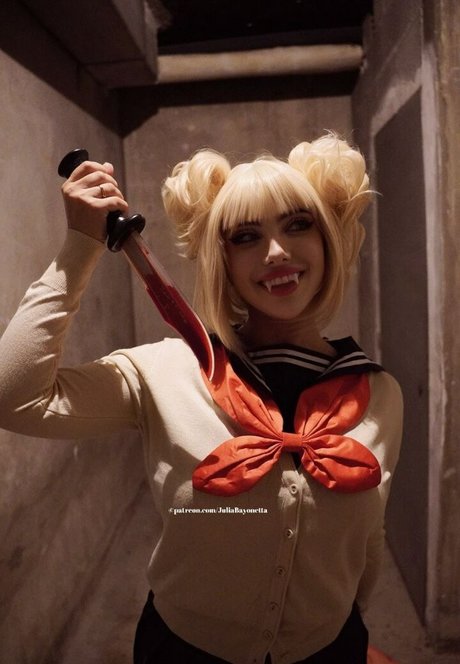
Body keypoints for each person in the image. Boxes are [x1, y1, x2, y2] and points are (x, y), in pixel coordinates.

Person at [0, 133, 403, 664]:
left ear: (328, 239)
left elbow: (368, 537)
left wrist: (339, 626)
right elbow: (15, 397)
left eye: (298, 224)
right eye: (246, 236)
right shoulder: (164, 373)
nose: (276, 252)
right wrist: (79, 246)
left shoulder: (381, 394)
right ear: (223, 260)